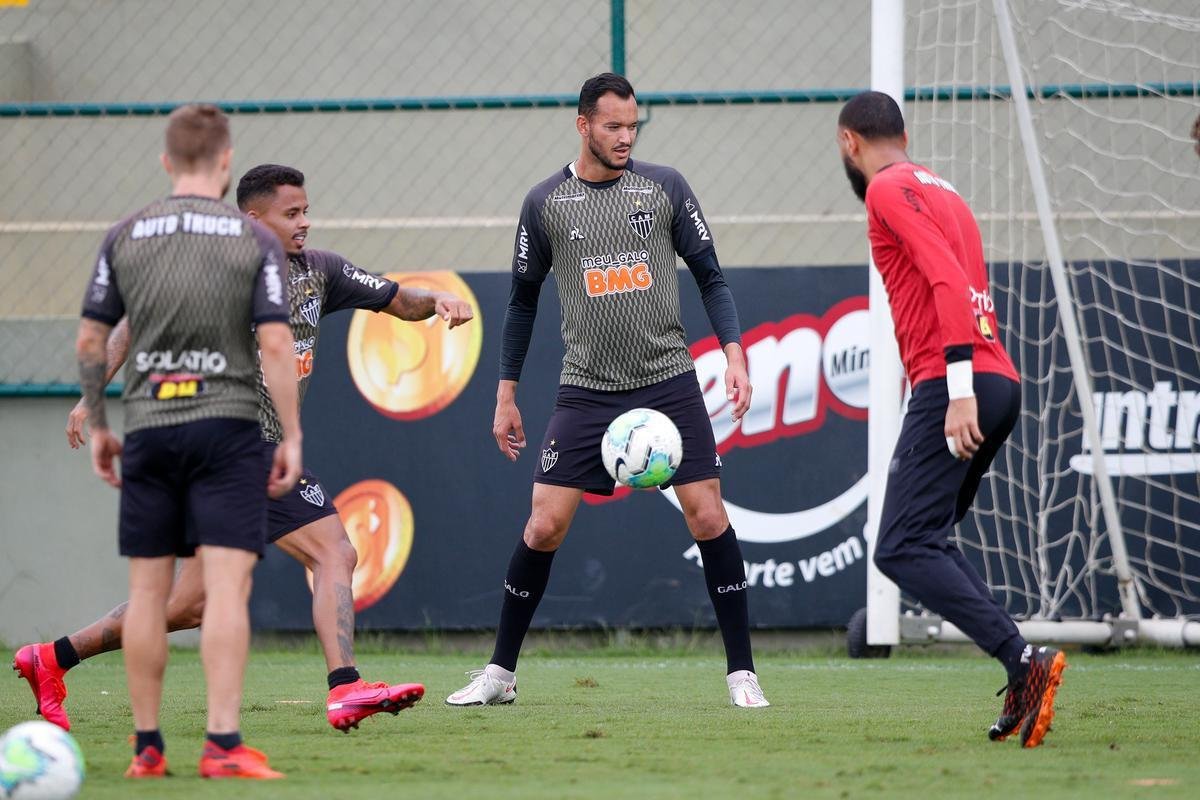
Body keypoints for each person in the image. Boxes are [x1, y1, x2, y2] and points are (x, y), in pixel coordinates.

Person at [15, 164, 473, 737]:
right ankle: (346, 687)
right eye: (292, 214)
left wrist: (440, 300)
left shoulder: (319, 271)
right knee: (334, 551)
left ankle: (52, 658)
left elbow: (399, 300)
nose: (305, 223)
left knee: (190, 606)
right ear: (251, 220)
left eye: (307, 210)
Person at [445, 73, 768, 709]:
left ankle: (742, 674)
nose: (625, 137)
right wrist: (506, 394)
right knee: (543, 525)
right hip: (588, 392)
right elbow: (521, 303)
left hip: (669, 382)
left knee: (708, 514)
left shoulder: (665, 187)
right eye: (613, 126)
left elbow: (711, 277)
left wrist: (735, 354)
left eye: (632, 126)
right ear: (583, 125)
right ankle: (500, 675)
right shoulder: (545, 204)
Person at [72, 104, 301, 778]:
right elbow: (276, 341)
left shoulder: (126, 234)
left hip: (149, 428)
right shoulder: (250, 238)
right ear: (226, 162)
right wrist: (290, 434)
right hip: (226, 429)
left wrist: (99, 422)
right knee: (226, 590)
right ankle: (222, 745)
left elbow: (92, 338)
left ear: (167, 163)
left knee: (147, 594)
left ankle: (147, 749)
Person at [836, 91, 1066, 748]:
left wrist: (955, 388)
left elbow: (941, 278)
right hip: (999, 380)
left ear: (850, 142)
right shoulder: (946, 191)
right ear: (904, 133)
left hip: (956, 383)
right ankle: (1022, 665)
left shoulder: (885, 189)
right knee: (928, 538)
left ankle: (1022, 660)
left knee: (901, 547)